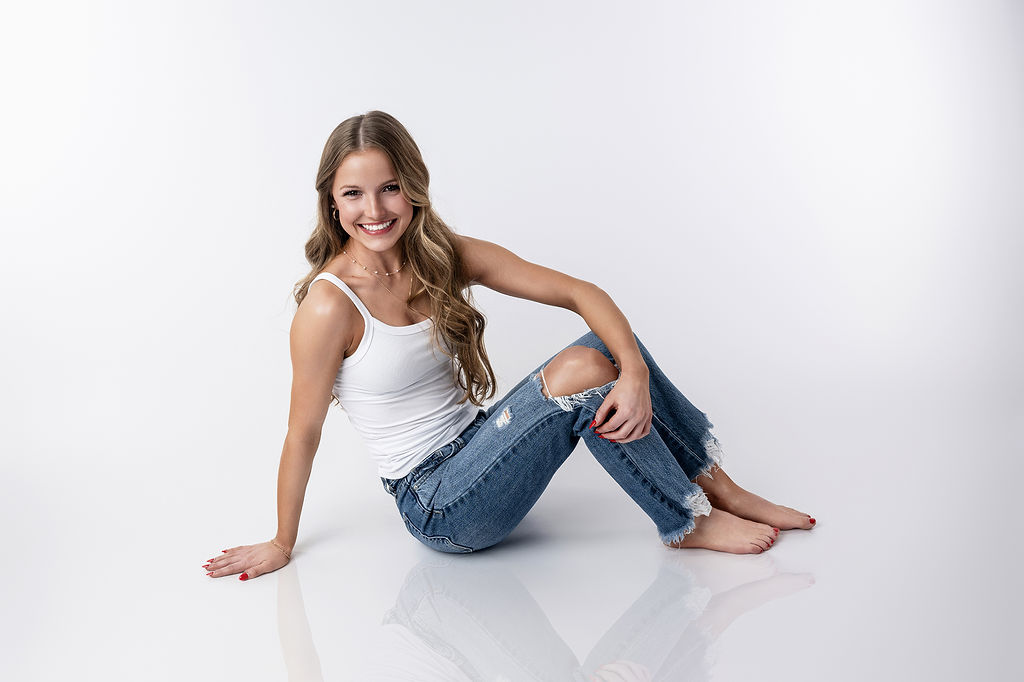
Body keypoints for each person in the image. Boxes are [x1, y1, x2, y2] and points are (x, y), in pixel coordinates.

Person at [203, 111, 815, 582]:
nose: (375, 210)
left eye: (389, 188)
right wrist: (282, 542)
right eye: (354, 194)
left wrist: (634, 373)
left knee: (605, 343)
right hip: (439, 505)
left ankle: (722, 488)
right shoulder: (330, 305)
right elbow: (301, 432)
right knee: (583, 370)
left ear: (412, 187)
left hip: (479, 448)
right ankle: (684, 520)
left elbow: (580, 291)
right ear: (331, 203)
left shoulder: (440, 256)